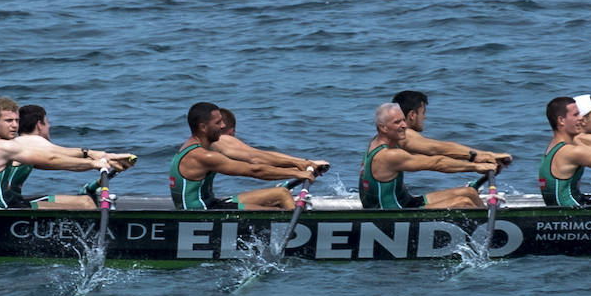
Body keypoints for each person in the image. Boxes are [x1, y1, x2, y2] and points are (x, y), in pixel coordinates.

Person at [0, 97, 136, 209]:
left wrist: (103, 157)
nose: (15, 126)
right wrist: (94, 163)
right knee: (87, 205)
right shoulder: (1, 147)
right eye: (9, 121)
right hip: (5, 211)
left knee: (86, 201)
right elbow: (53, 157)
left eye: (16, 121)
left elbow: (56, 159)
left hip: (12, 203)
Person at [170, 102, 317, 210]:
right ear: (203, 127)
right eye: (218, 122)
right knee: (279, 207)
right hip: (201, 214)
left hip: (212, 204)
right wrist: (297, 174)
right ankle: (301, 237)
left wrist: (299, 164)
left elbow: (255, 156)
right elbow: (254, 171)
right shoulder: (202, 156)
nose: (223, 126)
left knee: (281, 193)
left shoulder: (204, 145)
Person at [360, 103, 497, 209]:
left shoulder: (379, 141)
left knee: (470, 193)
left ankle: (489, 223)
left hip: (406, 202)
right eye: (397, 122)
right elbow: (436, 163)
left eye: (403, 120)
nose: (404, 125)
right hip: (394, 213)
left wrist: (480, 157)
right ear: (383, 128)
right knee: (464, 202)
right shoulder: (389, 155)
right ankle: (489, 232)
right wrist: (476, 167)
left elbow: (434, 148)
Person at [6, 104, 112, 209]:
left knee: (87, 201)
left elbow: (66, 163)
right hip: (11, 205)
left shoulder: (21, 145)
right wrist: (92, 161)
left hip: (15, 200)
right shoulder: (32, 141)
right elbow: (59, 156)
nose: (49, 126)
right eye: (47, 123)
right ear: (39, 125)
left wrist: (108, 161)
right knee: (87, 204)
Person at [392, 90, 513, 171]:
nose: (425, 117)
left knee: (468, 193)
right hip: (389, 205)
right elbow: (436, 149)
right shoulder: (403, 135)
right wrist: (477, 159)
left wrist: (480, 160)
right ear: (412, 115)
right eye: (423, 113)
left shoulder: (396, 135)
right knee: (465, 201)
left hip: (399, 197)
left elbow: (440, 156)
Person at [215, 108, 330, 177]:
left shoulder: (211, 150)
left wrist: (303, 165)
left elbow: (259, 155)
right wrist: (299, 168)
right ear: (231, 131)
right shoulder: (220, 140)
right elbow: (255, 159)